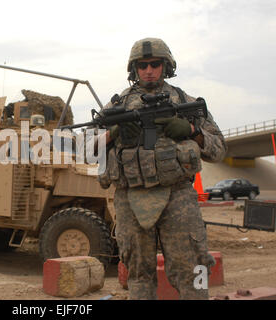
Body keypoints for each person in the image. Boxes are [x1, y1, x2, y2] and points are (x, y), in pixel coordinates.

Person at [97, 38, 227, 299]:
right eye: (142, 65)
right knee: (137, 274)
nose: (148, 70)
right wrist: (113, 133)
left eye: (155, 64)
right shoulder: (115, 108)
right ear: (133, 69)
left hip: (178, 197)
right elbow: (85, 149)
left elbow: (219, 149)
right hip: (130, 198)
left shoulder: (185, 102)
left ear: (166, 65)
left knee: (194, 270)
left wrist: (192, 131)